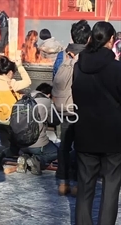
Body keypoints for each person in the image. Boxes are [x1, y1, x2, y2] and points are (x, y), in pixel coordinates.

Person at [72, 21, 121, 225]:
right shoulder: (117, 68)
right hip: (113, 135)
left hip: (85, 132)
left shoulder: (78, 67)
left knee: (85, 187)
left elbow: (76, 97)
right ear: (111, 40)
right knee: (111, 188)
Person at [53, 20, 91, 196]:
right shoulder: (89, 56)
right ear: (89, 38)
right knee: (82, 146)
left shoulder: (62, 55)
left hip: (64, 108)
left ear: (72, 36)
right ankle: (77, 182)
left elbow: (55, 77)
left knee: (64, 145)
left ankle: (62, 181)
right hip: (82, 108)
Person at [0, 56, 31, 169]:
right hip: (12, 118)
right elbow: (28, 81)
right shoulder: (11, 83)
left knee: (5, 143)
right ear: (10, 72)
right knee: (14, 145)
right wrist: (20, 66)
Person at [17, 83, 59, 175]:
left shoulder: (24, 98)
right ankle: (38, 161)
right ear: (48, 94)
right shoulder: (46, 101)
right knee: (57, 152)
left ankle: (24, 157)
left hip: (22, 144)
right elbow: (55, 121)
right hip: (38, 144)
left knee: (30, 150)